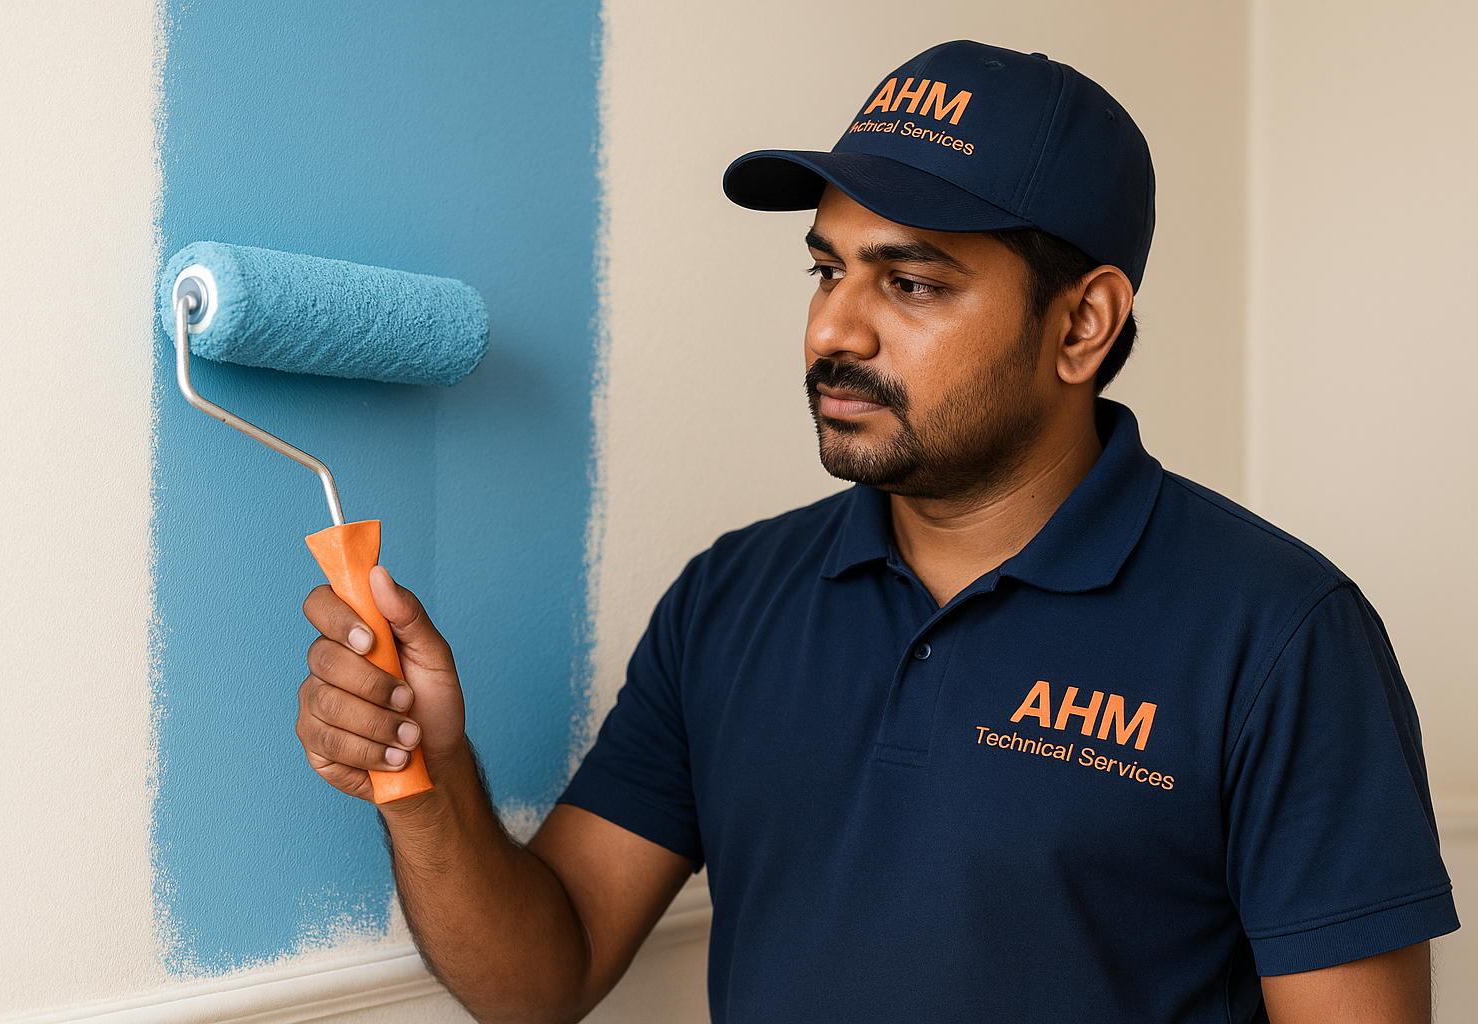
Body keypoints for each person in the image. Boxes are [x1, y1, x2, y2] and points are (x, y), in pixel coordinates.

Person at [294, 40, 1458, 1024]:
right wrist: (423, 774)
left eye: (911, 282)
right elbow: (544, 970)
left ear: (1083, 324)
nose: (832, 330)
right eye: (825, 268)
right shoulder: (732, 598)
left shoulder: (1279, 636)